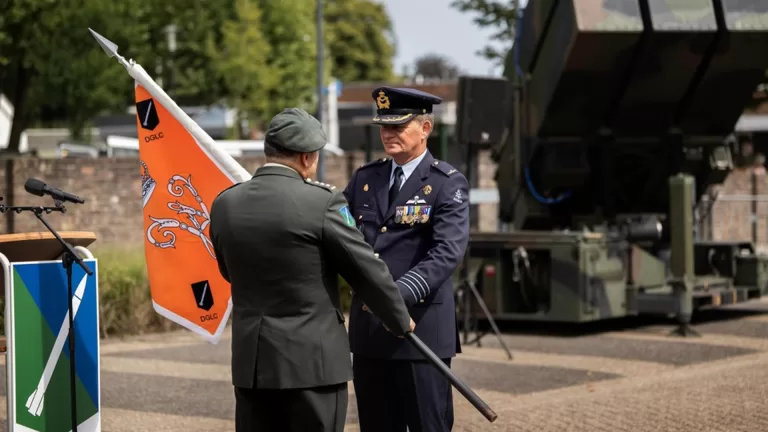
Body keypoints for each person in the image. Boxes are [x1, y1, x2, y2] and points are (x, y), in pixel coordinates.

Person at [209, 107, 416, 432]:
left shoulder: (224, 204)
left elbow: (228, 271)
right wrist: (400, 319)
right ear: (308, 158)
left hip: (253, 365)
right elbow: (365, 270)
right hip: (312, 366)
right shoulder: (322, 203)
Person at [343, 87, 470, 432]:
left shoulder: (447, 183)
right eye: (384, 127)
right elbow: (340, 233)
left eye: (398, 126)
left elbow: (447, 253)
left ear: (425, 129)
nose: (388, 133)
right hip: (370, 335)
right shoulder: (365, 179)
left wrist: (395, 296)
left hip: (421, 332)